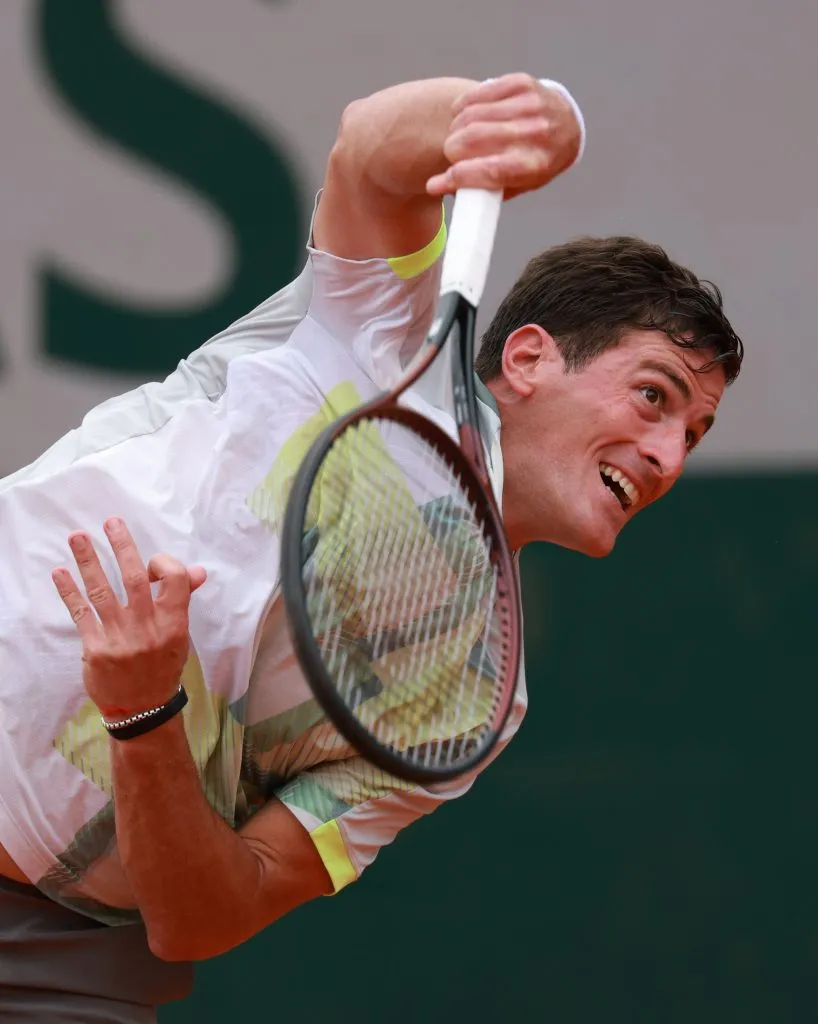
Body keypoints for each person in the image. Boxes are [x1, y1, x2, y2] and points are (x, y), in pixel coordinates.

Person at [0, 72, 742, 1022]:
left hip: (52, 948)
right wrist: (541, 114)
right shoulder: (376, 336)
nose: (668, 456)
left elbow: (206, 916)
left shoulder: (475, 702)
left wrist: (146, 718)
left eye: (693, 436)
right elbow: (372, 151)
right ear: (527, 359)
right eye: (653, 396)